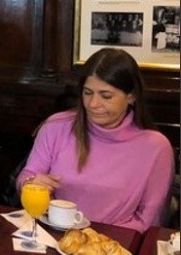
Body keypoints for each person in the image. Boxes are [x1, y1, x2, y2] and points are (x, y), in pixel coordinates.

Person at [17, 48, 173, 232]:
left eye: (106, 96)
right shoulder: (56, 127)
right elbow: (26, 177)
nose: (93, 104)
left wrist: (96, 241)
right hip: (53, 234)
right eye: (87, 93)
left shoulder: (155, 147)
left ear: (131, 97)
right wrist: (30, 184)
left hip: (116, 246)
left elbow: (150, 220)